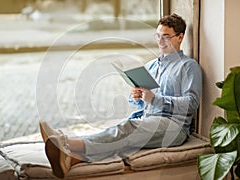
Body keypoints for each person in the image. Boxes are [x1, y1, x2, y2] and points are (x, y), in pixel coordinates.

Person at [39, 13, 202, 178]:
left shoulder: (188, 66)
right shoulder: (151, 66)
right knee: (121, 138)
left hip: (173, 126)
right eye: (158, 36)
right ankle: (71, 159)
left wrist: (155, 99)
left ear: (180, 37)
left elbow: (191, 103)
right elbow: (141, 102)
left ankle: (65, 142)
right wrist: (136, 96)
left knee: (127, 129)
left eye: (166, 37)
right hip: (148, 119)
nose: (160, 42)